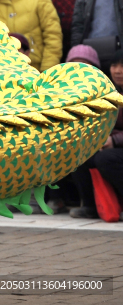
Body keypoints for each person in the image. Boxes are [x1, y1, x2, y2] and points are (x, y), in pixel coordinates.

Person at [69, 49, 123, 219]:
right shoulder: (108, 93)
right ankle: (91, 205)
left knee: (105, 158)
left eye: (122, 66)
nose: (118, 70)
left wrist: (113, 140)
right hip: (111, 145)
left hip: (117, 147)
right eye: (114, 65)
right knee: (78, 153)